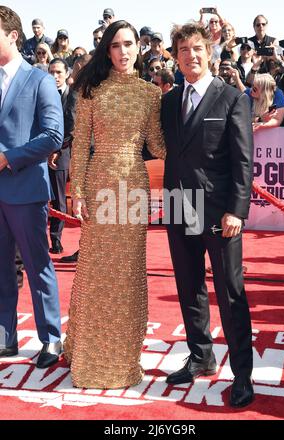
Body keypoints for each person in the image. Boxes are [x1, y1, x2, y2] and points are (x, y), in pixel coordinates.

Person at [63, 20, 165, 389]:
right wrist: (78, 194)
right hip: (99, 180)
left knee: (128, 272)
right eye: (116, 45)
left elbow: (158, 144)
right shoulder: (92, 90)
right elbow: (79, 143)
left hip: (133, 186)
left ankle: (122, 358)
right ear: (107, 50)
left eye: (129, 44)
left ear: (139, 48)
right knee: (95, 270)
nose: (123, 51)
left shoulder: (149, 94)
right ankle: (89, 353)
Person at [161, 22, 254, 408]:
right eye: (183, 50)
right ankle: (201, 355)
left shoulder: (231, 97)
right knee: (188, 285)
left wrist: (237, 209)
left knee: (230, 293)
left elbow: (244, 160)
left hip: (219, 211)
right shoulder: (168, 101)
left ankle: (243, 375)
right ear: (176, 56)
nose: (191, 56)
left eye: (197, 48)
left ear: (210, 50)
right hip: (179, 206)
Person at [0, 6, 63, 367]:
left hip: (25, 190)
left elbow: (53, 134)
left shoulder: (39, 80)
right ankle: (5, 337)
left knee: (38, 265)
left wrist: (9, 157)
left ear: (13, 35)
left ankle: (51, 338)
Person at [48, 58, 77, 254]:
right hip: (41, 154)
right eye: (51, 72)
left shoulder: (73, 97)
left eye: (59, 72)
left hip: (62, 153)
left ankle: (56, 240)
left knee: (59, 200)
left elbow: (71, 128)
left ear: (67, 74)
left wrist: (55, 151)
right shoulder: (44, 95)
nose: (55, 76)